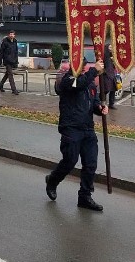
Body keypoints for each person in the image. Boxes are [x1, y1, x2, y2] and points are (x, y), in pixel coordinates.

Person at [44, 59, 108, 212]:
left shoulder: (90, 84)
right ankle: (52, 180)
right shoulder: (68, 80)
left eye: (85, 68)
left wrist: (100, 108)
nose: (84, 70)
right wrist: (94, 72)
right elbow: (79, 84)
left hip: (87, 129)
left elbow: (94, 102)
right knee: (70, 161)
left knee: (91, 164)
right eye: (82, 68)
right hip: (71, 128)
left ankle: (85, 196)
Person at [0, 30, 20, 94]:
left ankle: (0, 85)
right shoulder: (5, 42)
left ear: (14, 35)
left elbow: (16, 52)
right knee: (10, 74)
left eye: (12, 34)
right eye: (10, 34)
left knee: (7, 74)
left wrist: (16, 61)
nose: (11, 35)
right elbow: (1, 52)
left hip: (13, 61)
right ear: (9, 34)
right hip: (7, 61)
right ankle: (14, 89)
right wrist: (0, 61)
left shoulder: (15, 42)